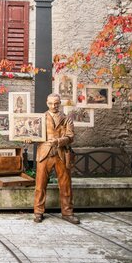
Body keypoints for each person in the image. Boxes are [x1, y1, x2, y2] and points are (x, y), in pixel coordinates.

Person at [25, 93, 80, 224]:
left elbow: (71, 137)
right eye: (50, 103)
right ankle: (38, 212)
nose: (53, 106)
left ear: (59, 103)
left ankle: (67, 213)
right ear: (46, 103)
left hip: (62, 155)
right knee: (40, 184)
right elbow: (34, 134)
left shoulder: (67, 119)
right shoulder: (40, 118)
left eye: (56, 103)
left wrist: (59, 141)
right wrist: (29, 139)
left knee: (66, 185)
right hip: (44, 154)